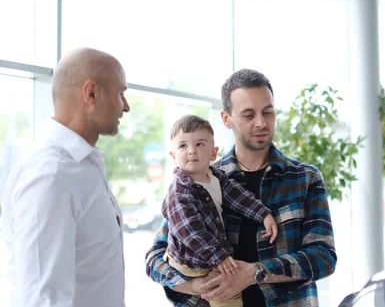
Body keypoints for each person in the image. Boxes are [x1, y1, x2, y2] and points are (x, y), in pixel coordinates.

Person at [145, 69, 337, 307]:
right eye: (248, 115)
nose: (261, 123)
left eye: (268, 112)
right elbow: (154, 259)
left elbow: (324, 257)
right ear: (226, 119)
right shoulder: (201, 180)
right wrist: (194, 285)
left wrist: (254, 273)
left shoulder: (304, 178)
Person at [1, 47, 130, 307]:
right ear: (91, 93)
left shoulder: (84, 164)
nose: (125, 107)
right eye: (120, 94)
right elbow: (41, 298)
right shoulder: (50, 176)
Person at [162, 114, 278, 307]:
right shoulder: (179, 192)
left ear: (213, 153)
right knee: (226, 295)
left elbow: (239, 197)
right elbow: (191, 231)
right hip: (191, 262)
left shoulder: (216, 176)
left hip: (209, 255)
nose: (191, 151)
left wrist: (263, 214)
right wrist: (219, 256)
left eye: (199, 144)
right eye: (183, 146)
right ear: (173, 155)